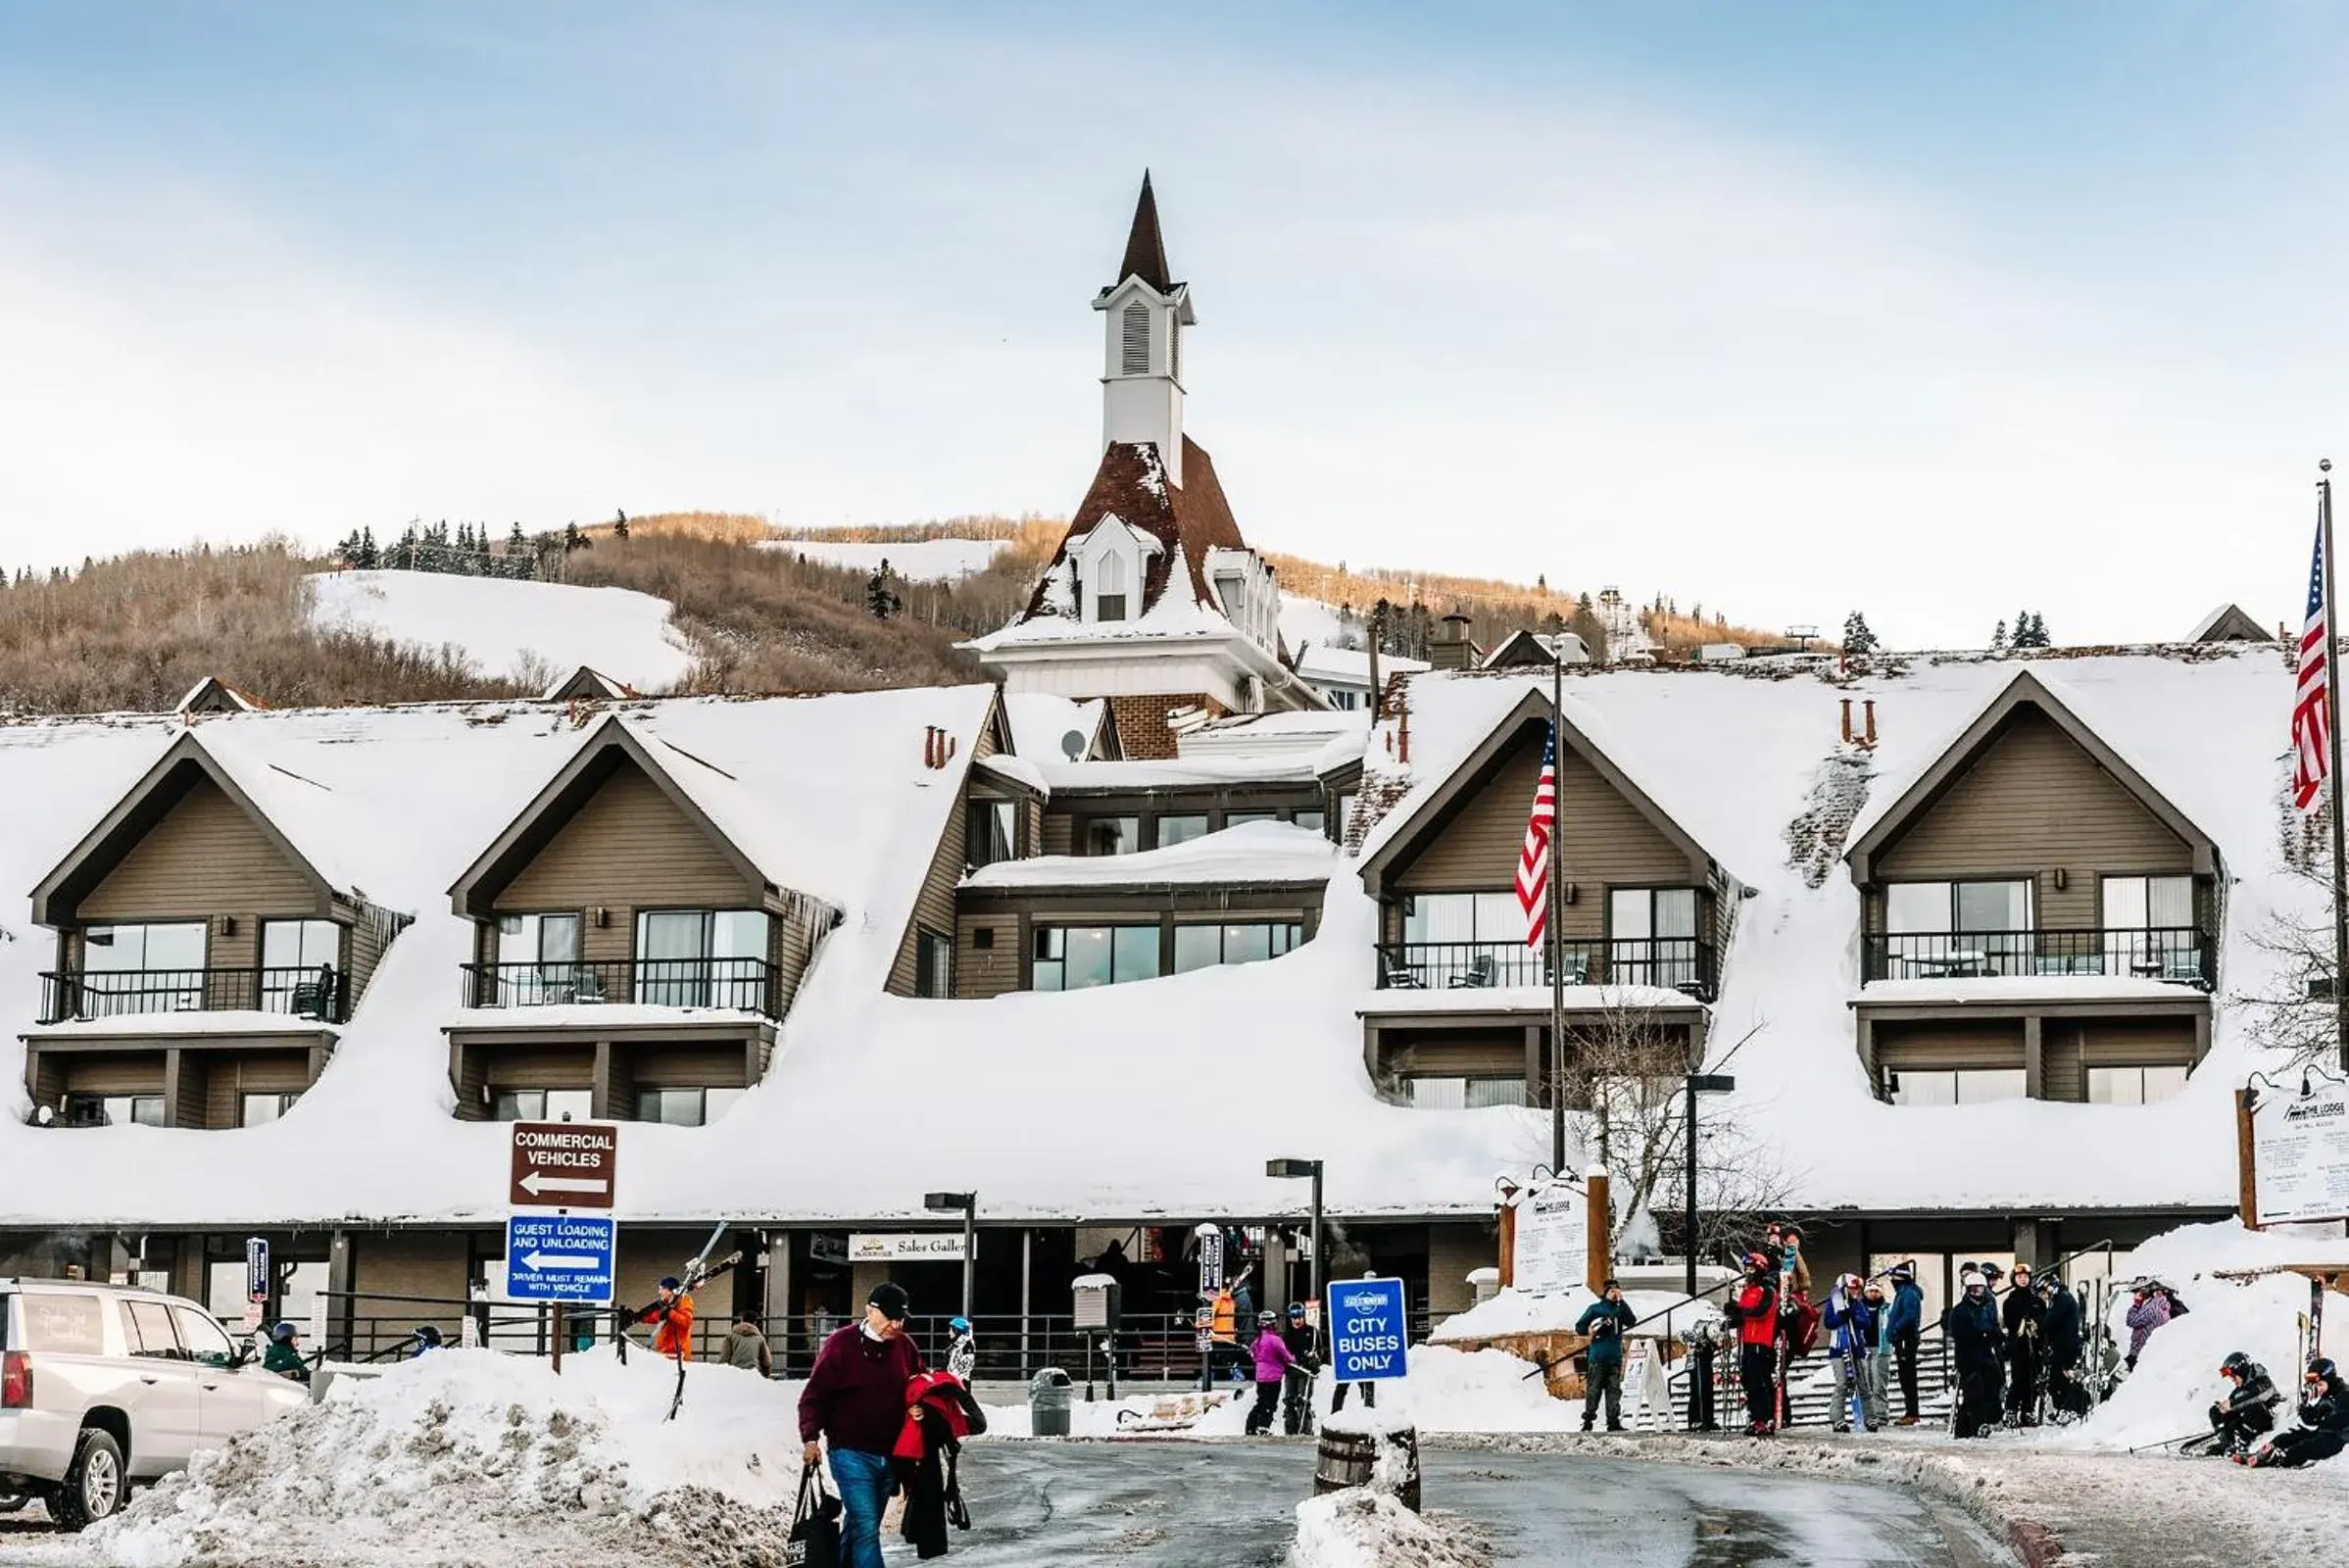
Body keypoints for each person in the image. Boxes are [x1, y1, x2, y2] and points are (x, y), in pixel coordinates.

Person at [801, 1282, 925, 1568]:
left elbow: (919, 1387)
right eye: (890, 1316)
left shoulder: (905, 1347)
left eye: (901, 1318)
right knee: (867, 1530)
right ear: (870, 1310)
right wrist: (810, 1438)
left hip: (889, 1455)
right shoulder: (840, 1344)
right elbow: (814, 1396)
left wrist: (918, 1408)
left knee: (858, 1526)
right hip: (850, 1452)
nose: (895, 1324)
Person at [2240, 1357, 2349, 1467]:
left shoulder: (2345, 1394)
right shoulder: (2326, 1394)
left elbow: (2340, 1422)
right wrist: (2307, 1408)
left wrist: (2323, 1417)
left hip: (2339, 1439)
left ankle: (2279, 1459)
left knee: (2305, 1447)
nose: (2317, 1388)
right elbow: (2311, 1421)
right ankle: (2260, 1454)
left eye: (2320, 1384)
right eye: (2316, 1385)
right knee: (2287, 1437)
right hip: (2324, 1433)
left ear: (2329, 1380)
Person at [1724, 1251, 1781, 1436]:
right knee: (1748, 1380)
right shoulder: (1748, 1290)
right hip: (1747, 1341)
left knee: (1759, 1381)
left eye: (1751, 1268)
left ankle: (1764, 1418)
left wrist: (1740, 1311)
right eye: (1746, 1268)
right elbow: (1745, 1316)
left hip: (1761, 1342)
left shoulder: (1768, 1291)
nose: (1747, 1272)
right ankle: (1756, 1416)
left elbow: (1760, 1312)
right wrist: (1732, 1316)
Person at [1944, 1268, 2004, 1439]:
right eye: (1973, 1289)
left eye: (1980, 1289)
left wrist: (1997, 1337)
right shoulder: (1960, 1311)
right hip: (1968, 1356)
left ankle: (1984, 1419)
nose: (1977, 1293)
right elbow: (1960, 1334)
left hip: (1986, 1354)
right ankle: (1976, 1425)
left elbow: (1994, 1327)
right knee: (1974, 1392)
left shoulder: (1988, 1307)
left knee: (1995, 1382)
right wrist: (1981, 1334)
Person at [1575, 1280, 1639, 1434]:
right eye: (1611, 1290)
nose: (1614, 1292)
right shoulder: (1595, 1309)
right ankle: (1588, 1420)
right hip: (1598, 1357)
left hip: (1614, 1357)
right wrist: (1589, 1329)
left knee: (1614, 1391)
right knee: (1594, 1390)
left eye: (1617, 1290)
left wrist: (1621, 1302)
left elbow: (1632, 1321)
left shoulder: (1620, 1310)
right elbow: (1579, 1327)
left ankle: (1613, 1421)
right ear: (1605, 1292)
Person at [1821, 1274, 1875, 1432]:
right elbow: (1829, 1322)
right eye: (1852, 1288)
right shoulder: (1834, 1303)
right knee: (1842, 1384)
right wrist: (1841, 1316)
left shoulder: (1858, 1304)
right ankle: (1837, 1418)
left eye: (1857, 1288)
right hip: (1839, 1349)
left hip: (1857, 1349)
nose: (1856, 1291)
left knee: (1863, 1384)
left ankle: (1870, 1417)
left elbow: (1866, 1322)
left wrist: (1853, 1315)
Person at [2200, 1351, 2279, 1456]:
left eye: (2233, 1375)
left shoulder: (2264, 1381)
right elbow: (2231, 1408)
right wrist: (2224, 1410)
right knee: (2216, 1410)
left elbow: (2257, 1396)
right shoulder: (2238, 1391)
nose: (2232, 1379)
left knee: (2254, 1408)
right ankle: (2227, 1443)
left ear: (2241, 1371)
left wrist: (2232, 1404)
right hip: (2246, 1427)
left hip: (2269, 1424)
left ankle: (2244, 1444)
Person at [2002, 1262, 2046, 1426]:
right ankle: (2011, 1410)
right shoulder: (2010, 1301)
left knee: (2032, 1379)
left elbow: (2043, 1320)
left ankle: (2028, 1410)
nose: (2023, 1280)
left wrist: (2036, 1325)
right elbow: (2009, 1321)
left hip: (2034, 1345)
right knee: (2018, 1379)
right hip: (2018, 1345)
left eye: (2025, 1277)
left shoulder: (2037, 1301)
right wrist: (2021, 1324)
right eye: (2019, 1277)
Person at [1331, 1271, 1381, 1413]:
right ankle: (1335, 1414)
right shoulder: (1354, 1301)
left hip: (1366, 1350)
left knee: (1363, 1386)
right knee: (1344, 1386)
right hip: (1353, 1350)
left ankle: (1366, 1411)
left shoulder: (1376, 1303)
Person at [1245, 1311, 1299, 1436]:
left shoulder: (1257, 1341)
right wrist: (1294, 1359)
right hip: (1273, 1377)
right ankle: (1264, 1426)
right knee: (1270, 1404)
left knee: (1261, 1401)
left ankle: (1251, 1425)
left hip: (1260, 1376)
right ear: (1271, 1324)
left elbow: (1254, 1357)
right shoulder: (1276, 1340)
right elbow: (1287, 1357)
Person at [1884, 1262, 1924, 1426]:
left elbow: (1909, 1317)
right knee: (1905, 1377)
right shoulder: (1904, 1293)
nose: (1892, 1281)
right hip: (1903, 1339)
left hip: (1906, 1339)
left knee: (1907, 1377)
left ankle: (1912, 1412)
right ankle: (1911, 1411)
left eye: (1894, 1278)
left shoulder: (1908, 1294)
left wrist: (1895, 1330)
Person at [2042, 1275, 2086, 1418]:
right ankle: (2064, 1406)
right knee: (2060, 1377)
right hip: (2065, 1344)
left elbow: (2050, 1321)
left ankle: (2069, 1407)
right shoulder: (2063, 1298)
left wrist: (2041, 1325)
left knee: (2062, 1376)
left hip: (2066, 1346)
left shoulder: (2063, 1299)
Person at [1279, 1303, 1320, 1437]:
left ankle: (1305, 1429)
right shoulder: (1288, 1333)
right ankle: (1290, 1429)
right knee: (1290, 1399)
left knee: (1303, 1400)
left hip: (1305, 1370)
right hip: (1291, 1370)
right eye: (1294, 1317)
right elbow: (1283, 1352)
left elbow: (1319, 1350)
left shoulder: (1312, 1332)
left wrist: (1314, 1361)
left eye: (1299, 1317)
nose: (1297, 1320)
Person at [1858, 1278, 1892, 1430]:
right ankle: (1868, 1415)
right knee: (1865, 1384)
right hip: (1864, 1348)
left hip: (1881, 1348)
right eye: (1870, 1291)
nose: (1873, 1294)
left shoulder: (1886, 1308)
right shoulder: (1859, 1307)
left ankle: (1881, 1415)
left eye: (1876, 1291)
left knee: (1879, 1384)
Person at [641, 1276, 695, 1360]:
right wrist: (640, 1317)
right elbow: (657, 1316)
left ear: (670, 1290)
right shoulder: (665, 1303)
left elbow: (686, 1322)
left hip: (679, 1354)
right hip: (665, 1351)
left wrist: (669, 1312)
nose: (659, 1292)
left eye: (662, 1289)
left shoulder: (684, 1301)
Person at [2124, 1281, 2173, 1371]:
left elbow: (2132, 1321)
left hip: (2137, 1354)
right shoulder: (2165, 1311)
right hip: (2145, 1353)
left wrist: (2137, 1304)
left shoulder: (2152, 1308)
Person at [723, 1310, 773, 1378]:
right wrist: (766, 1375)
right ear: (755, 1322)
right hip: (753, 1372)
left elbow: (725, 1356)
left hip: (735, 1371)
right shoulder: (760, 1338)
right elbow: (767, 1361)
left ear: (742, 1320)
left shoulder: (731, 1336)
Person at [946, 1315, 976, 1384]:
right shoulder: (953, 1345)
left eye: (951, 1330)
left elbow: (964, 1371)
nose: (949, 1333)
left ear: (957, 1330)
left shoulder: (968, 1346)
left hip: (960, 1384)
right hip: (952, 1383)